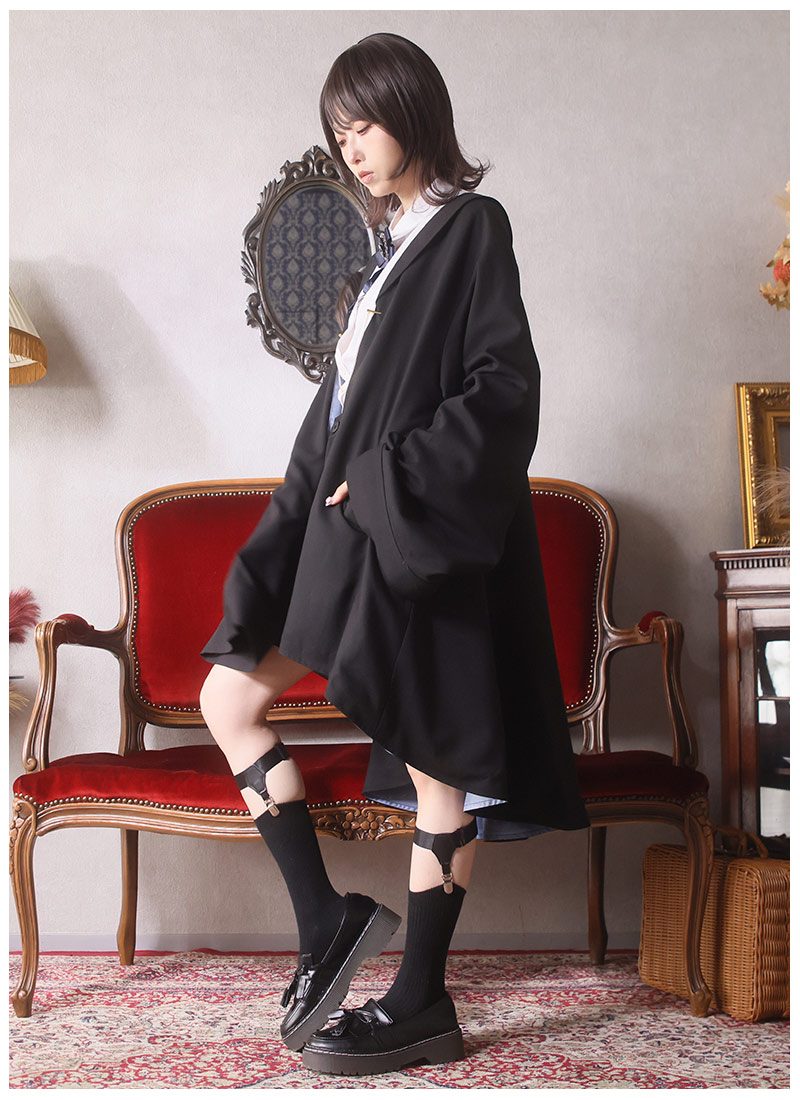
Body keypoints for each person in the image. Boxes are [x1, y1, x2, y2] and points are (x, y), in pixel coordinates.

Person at [199, 31, 588, 1077]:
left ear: (411, 113)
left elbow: (503, 390)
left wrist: (383, 482)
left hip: (409, 535)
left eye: (363, 124)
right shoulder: (381, 260)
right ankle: (325, 920)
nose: (352, 148)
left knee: (435, 760)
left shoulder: (470, 228)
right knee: (229, 698)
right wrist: (277, 542)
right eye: (338, 133)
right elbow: (330, 424)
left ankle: (420, 998)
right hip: (345, 536)